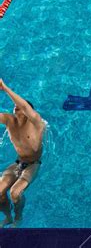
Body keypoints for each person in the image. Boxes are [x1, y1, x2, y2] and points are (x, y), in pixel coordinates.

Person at [0, 79, 44, 227]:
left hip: (33, 164)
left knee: (15, 193)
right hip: (18, 162)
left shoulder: (37, 123)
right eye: (15, 106)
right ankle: (8, 217)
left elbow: (24, 105)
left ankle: (18, 217)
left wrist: (5, 88)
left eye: (20, 107)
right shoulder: (9, 120)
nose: (16, 107)